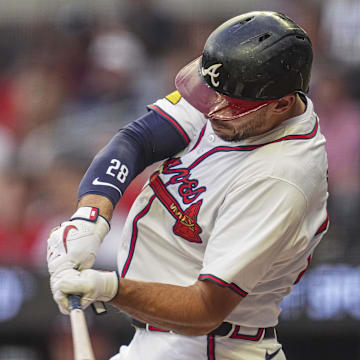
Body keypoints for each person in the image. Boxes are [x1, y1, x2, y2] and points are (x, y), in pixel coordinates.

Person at [47, 11, 329, 360]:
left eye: (228, 108)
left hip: (212, 347)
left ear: (282, 103)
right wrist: (90, 217)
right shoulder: (237, 91)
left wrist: (106, 287)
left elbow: (205, 310)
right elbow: (138, 139)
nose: (211, 112)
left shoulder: (282, 178)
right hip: (161, 342)